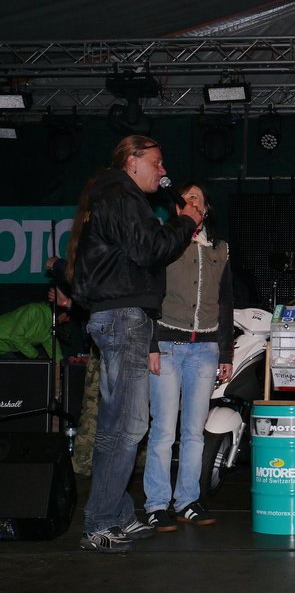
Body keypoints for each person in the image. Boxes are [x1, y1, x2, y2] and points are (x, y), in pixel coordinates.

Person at [71, 136, 203, 553]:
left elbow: (136, 252)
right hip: (121, 316)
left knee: (125, 424)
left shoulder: (116, 196)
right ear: (132, 161)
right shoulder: (120, 195)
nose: (163, 171)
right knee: (124, 427)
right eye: (157, 162)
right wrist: (185, 223)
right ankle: (99, 523)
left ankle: (118, 513)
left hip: (124, 315)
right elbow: (150, 249)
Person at [144, 182, 233, 532]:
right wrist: (151, 344)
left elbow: (225, 302)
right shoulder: (165, 241)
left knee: (195, 432)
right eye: (187, 197)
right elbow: (150, 294)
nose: (192, 200)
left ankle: (188, 501)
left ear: (206, 208)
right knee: (164, 429)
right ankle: (156, 504)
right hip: (167, 345)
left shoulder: (220, 248)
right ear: (178, 208)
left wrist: (225, 352)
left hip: (205, 349)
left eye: (198, 197)